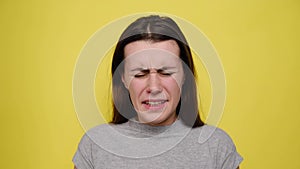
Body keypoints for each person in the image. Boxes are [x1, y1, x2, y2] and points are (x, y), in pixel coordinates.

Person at [73, 15, 243, 169]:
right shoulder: (94, 147)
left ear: (185, 75)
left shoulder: (217, 147)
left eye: (166, 72)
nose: (154, 87)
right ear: (122, 78)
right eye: (140, 74)